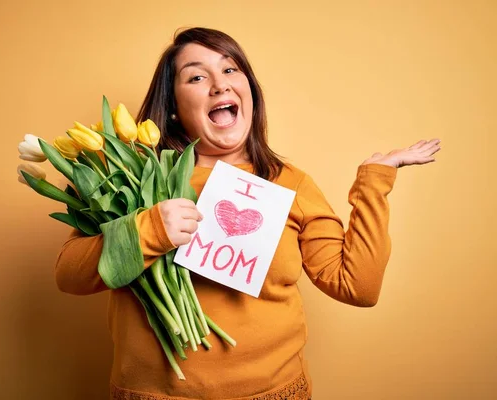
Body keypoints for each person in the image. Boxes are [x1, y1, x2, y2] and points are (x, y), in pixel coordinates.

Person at [54, 27, 441, 400]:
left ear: (249, 93)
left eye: (229, 69)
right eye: (196, 77)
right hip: (153, 394)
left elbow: (358, 287)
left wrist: (375, 182)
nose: (219, 84)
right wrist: (150, 229)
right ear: (172, 108)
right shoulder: (133, 178)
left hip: (273, 393)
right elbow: (69, 274)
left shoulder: (291, 183)